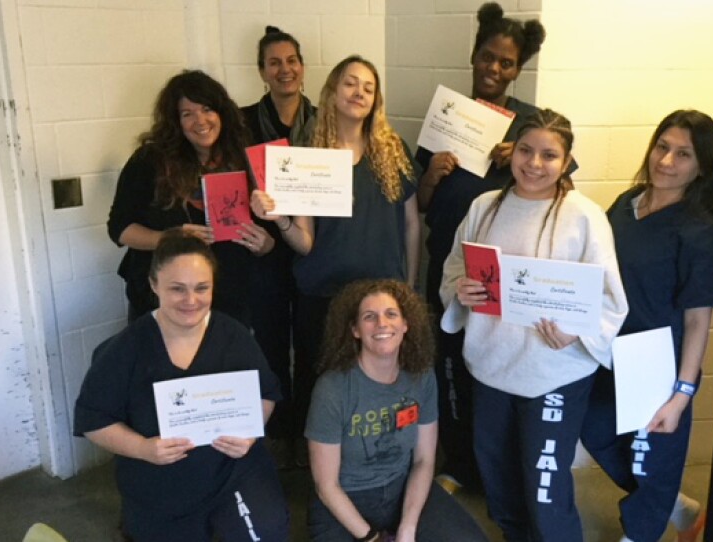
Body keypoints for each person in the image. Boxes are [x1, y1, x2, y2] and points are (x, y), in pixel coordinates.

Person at [440, 109, 628, 541]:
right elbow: (455, 267)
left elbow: (610, 298)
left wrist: (578, 332)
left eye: (549, 155)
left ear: (566, 161)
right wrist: (461, 291)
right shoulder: (484, 208)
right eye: (526, 150)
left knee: (544, 489)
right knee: (498, 477)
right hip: (491, 367)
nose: (534, 164)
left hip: (554, 373)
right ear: (511, 151)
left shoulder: (584, 216)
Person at [251, 55, 421, 466]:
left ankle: (375, 467)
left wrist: (409, 290)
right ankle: (320, 474)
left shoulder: (393, 150)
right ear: (331, 91)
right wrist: (279, 221)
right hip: (324, 296)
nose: (359, 92)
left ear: (375, 98)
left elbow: (412, 226)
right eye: (350, 83)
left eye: (367, 86)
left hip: (382, 297)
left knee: (379, 386)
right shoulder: (310, 156)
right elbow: (305, 242)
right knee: (322, 385)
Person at [73, 229, 289, 542]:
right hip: (159, 476)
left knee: (265, 534)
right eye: (177, 289)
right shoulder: (126, 348)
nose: (191, 301)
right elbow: (94, 421)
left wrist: (251, 432)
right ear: (153, 285)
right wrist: (143, 448)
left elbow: (266, 394)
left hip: (232, 470)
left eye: (202, 288)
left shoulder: (235, 335)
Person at [579, 110, 713, 542]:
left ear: (702, 166)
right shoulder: (627, 205)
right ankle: (681, 510)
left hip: (658, 362)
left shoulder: (702, 227)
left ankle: (641, 532)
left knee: (651, 460)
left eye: (683, 154)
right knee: (593, 430)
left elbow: (700, 317)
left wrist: (681, 393)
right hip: (609, 351)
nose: (666, 161)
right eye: (662, 146)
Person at [415, 1, 547, 494]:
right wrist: (430, 174)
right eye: (487, 57)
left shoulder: (534, 125)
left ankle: (498, 474)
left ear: (518, 70)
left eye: (506, 62)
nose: (494, 68)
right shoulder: (446, 117)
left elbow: (561, 187)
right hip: (449, 268)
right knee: (448, 361)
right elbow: (423, 204)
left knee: (497, 369)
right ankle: (459, 466)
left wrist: (524, 156)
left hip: (504, 274)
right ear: (473, 57)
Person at [305, 279, 489, 542]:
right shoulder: (332, 388)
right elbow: (327, 486)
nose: (382, 324)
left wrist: (408, 528)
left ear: (405, 324)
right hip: (346, 498)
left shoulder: (421, 375)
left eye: (391, 314)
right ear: (355, 330)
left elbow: (424, 460)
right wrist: (372, 538)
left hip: (402, 488)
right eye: (370, 317)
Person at [108, 70, 271, 324]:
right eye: (187, 114)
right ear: (175, 122)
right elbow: (119, 229)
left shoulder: (244, 159)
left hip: (230, 300)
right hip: (163, 301)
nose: (200, 120)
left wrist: (265, 245)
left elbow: (269, 234)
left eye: (208, 109)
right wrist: (167, 238)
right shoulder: (149, 161)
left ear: (222, 113)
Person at [241, 26, 317, 468]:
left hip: (313, 249)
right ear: (262, 72)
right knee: (269, 344)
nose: (284, 70)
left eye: (291, 61)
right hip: (265, 251)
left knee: (309, 346)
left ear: (302, 68)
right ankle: (278, 431)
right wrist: (260, 235)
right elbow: (234, 184)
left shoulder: (323, 119)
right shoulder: (242, 121)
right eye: (274, 63)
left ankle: (308, 431)